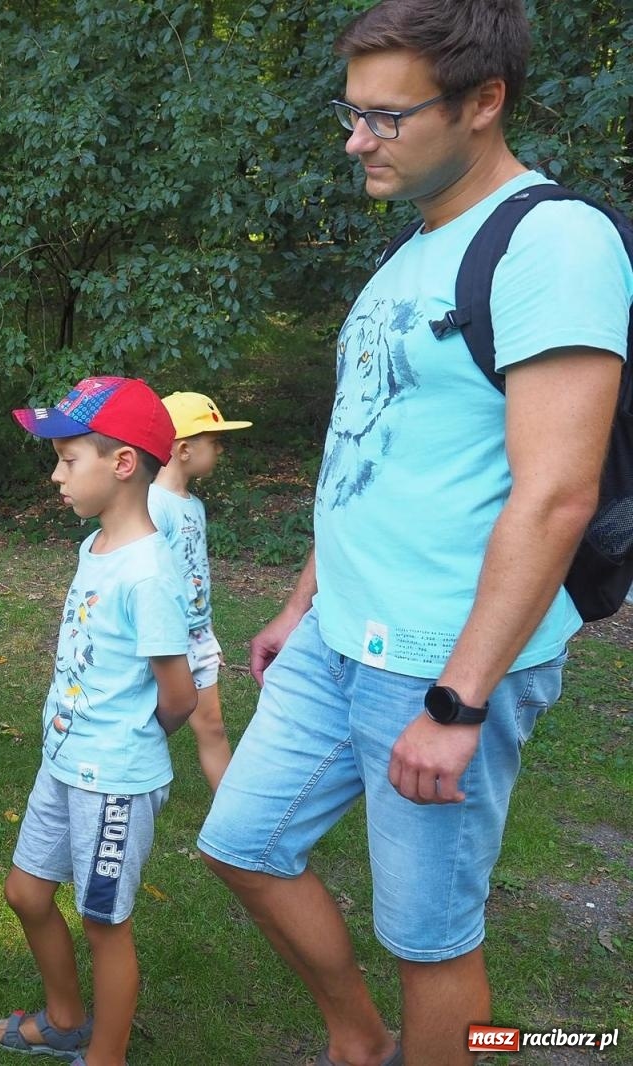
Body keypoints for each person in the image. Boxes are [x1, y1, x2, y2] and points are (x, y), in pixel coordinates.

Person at [194, 3, 632, 1064]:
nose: (355, 141)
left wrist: (457, 699)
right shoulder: (411, 253)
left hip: (441, 658)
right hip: (337, 638)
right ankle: (360, 1042)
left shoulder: (553, 242)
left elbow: (556, 495)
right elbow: (370, 450)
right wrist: (302, 602)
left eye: (385, 119)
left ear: (483, 103)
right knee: (242, 844)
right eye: (351, 114)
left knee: (431, 942)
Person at [0, 377, 197, 1066]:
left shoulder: (147, 574)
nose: (56, 476)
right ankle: (65, 1020)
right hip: (64, 764)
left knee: (106, 924)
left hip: (112, 779)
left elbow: (180, 695)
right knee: (25, 892)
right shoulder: (95, 551)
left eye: (68, 459)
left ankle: (104, 1057)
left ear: (123, 464)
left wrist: (129, 744)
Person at [148, 391, 252, 793]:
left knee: (212, 724)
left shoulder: (193, 504)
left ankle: (230, 821)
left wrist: (206, 632)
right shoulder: (154, 505)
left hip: (196, 633)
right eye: (213, 442)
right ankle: (129, 782)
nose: (220, 449)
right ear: (184, 450)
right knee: (151, 718)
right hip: (164, 636)